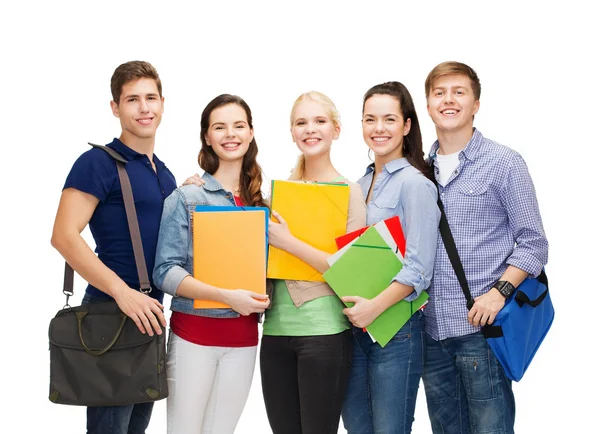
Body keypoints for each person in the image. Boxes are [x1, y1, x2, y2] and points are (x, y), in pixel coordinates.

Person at [421, 61, 549, 434]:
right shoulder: (418, 170)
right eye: (439, 93)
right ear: (428, 104)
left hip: (482, 331)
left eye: (459, 92)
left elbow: (534, 243)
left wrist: (499, 292)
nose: (449, 100)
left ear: (475, 103)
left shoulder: (504, 163)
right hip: (431, 332)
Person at [50, 60, 176, 434]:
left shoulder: (164, 173)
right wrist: (124, 294)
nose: (144, 108)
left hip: (150, 316)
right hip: (111, 313)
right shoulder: (97, 163)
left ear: (163, 103)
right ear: (115, 108)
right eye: (132, 99)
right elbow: (63, 236)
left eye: (150, 98)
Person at [152, 94, 270, 434]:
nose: (230, 134)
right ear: (207, 136)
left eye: (238, 126)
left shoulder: (264, 203)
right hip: (194, 337)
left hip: (244, 341)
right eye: (220, 127)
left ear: (250, 133)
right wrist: (225, 295)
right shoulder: (187, 197)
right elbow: (166, 271)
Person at [260, 91, 367, 434]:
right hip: (275, 332)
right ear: (292, 132)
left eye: (320, 121)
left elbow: (347, 270)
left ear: (336, 129)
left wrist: (288, 242)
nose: (310, 129)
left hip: (325, 333)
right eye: (301, 122)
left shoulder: (350, 192)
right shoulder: (276, 195)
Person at [340, 82, 440, 434]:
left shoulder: (416, 185)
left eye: (389, 119)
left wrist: (374, 308)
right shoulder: (358, 183)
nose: (378, 128)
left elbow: (418, 269)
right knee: (357, 427)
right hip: (354, 328)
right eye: (370, 119)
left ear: (407, 125)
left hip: (397, 329)